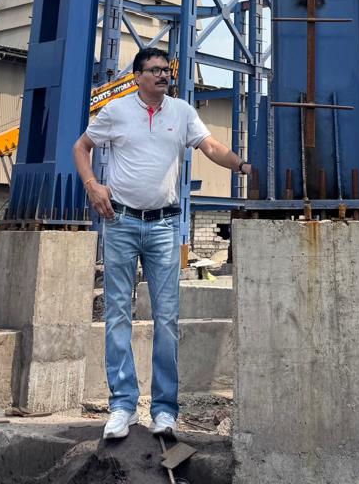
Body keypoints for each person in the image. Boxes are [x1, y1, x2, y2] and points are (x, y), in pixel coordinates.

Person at [73, 46, 251, 440]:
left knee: (166, 318)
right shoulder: (116, 112)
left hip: (165, 226)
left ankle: (164, 410)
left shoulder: (182, 113)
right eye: (153, 70)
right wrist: (92, 185)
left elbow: (211, 148)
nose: (162, 75)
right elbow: (80, 147)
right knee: (118, 311)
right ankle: (121, 406)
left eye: (166, 69)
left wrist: (243, 165)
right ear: (137, 76)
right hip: (119, 221)